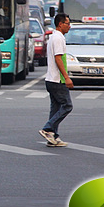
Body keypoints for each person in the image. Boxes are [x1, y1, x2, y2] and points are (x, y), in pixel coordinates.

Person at [39, 13, 73, 147]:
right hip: (57, 80)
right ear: (60, 24)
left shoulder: (54, 36)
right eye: (67, 23)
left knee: (55, 109)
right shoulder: (58, 38)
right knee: (67, 106)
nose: (69, 26)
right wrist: (67, 77)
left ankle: (53, 136)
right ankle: (48, 129)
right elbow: (58, 59)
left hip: (50, 79)